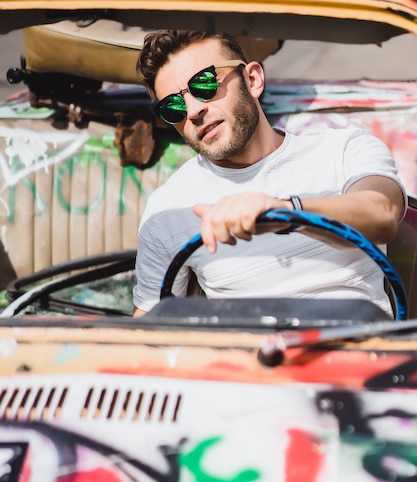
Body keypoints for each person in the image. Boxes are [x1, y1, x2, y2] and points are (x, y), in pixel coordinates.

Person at [133, 30, 406, 317]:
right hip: (242, 357)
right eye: (173, 107)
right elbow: (146, 326)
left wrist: (285, 212)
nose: (193, 111)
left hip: (356, 352)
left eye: (203, 84)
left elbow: (382, 214)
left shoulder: (344, 150)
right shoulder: (167, 208)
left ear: (252, 80)